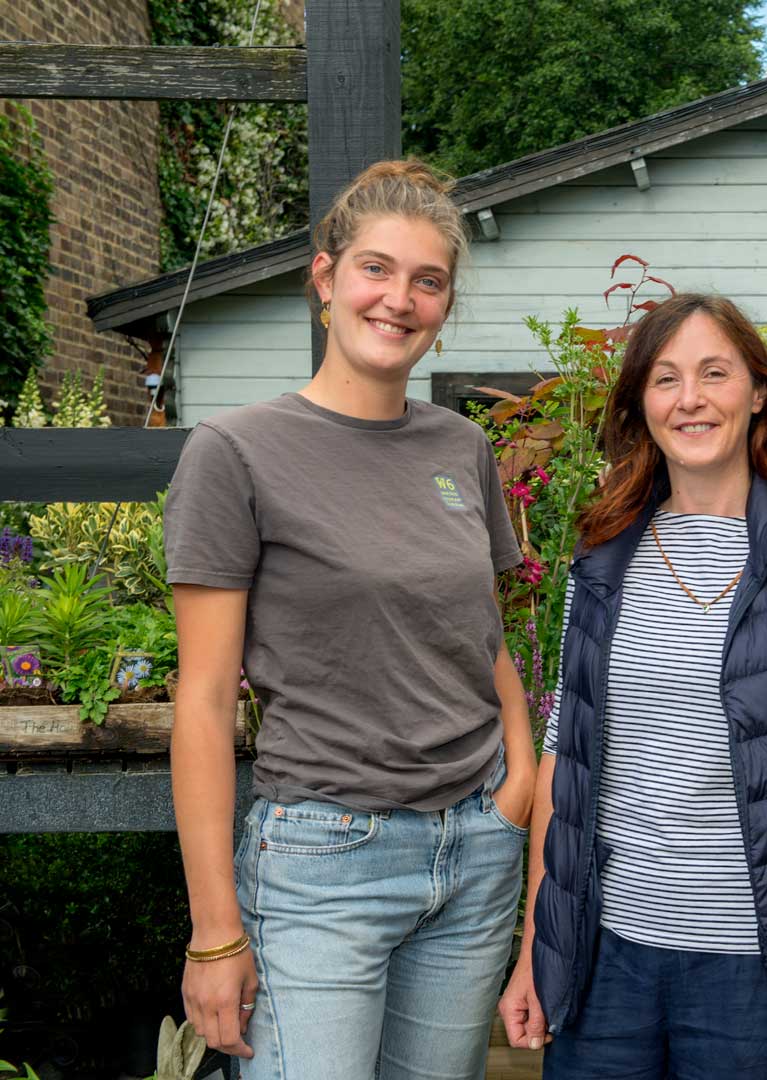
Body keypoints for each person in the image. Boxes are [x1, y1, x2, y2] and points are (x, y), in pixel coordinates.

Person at [166, 160, 536, 1078]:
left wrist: (518, 778)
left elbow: (481, 635)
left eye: (428, 280)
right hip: (325, 862)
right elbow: (206, 700)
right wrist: (215, 934)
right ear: (325, 280)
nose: (399, 299)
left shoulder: (462, 446)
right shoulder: (235, 452)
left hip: (474, 850)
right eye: (376, 269)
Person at [496, 294, 767, 1079]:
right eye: (667, 378)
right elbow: (562, 761)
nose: (691, 399)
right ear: (641, 405)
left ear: (757, 395)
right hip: (601, 962)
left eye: (715, 373)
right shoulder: (602, 560)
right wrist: (535, 949)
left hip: (753, 972)